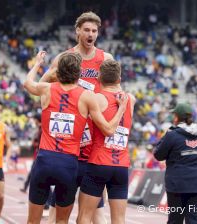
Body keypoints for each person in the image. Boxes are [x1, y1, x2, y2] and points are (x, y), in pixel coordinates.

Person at [23, 51, 128, 224]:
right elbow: (109, 130)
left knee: (32, 221)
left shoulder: (47, 89)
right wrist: (122, 109)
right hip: (68, 164)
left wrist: (37, 64)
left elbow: (28, 83)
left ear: (58, 72)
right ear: (79, 74)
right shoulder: (87, 96)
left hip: (44, 161)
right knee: (62, 221)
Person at [40, 11, 111, 224]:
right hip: (67, 144)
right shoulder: (64, 59)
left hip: (94, 143)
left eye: (94, 31)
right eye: (86, 30)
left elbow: (114, 95)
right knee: (58, 208)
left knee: (95, 210)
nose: (90, 34)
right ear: (77, 31)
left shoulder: (105, 59)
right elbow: (43, 87)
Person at [77, 60, 136, 224]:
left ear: (99, 78)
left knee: (84, 217)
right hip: (121, 166)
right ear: (120, 78)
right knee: (118, 219)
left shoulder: (96, 98)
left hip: (99, 163)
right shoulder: (131, 99)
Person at [153, 103, 197, 224]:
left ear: (176, 117)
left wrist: (167, 134)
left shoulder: (172, 135)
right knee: (195, 220)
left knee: (175, 220)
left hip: (177, 185)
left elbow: (158, 155)